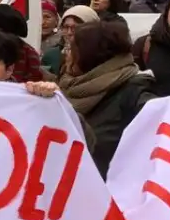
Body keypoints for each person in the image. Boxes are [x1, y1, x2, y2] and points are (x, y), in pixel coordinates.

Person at [59, 20, 156, 176]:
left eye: (72, 49)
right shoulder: (67, 86)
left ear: (89, 55)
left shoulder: (136, 94)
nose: (66, 54)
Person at [39, 0, 63, 74]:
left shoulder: (62, 43)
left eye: (47, 17)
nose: (42, 22)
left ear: (56, 20)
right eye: (38, 17)